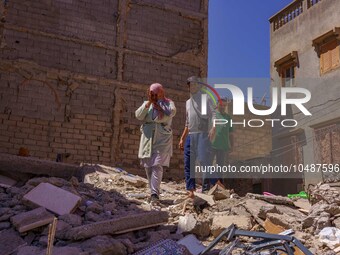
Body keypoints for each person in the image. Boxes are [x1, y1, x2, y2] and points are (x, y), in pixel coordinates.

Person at [135, 83, 176, 202]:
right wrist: (149, 103)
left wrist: (159, 106)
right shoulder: (146, 104)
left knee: (157, 165)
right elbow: (138, 115)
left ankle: (154, 194)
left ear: (161, 92)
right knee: (148, 166)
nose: (154, 96)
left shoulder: (169, 103)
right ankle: (152, 190)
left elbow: (167, 116)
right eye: (151, 94)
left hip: (162, 138)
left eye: (156, 93)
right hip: (148, 137)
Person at [179, 76, 217, 198]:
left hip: (202, 134)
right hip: (191, 135)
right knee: (188, 163)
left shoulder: (206, 98)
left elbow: (214, 114)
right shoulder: (188, 102)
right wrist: (182, 138)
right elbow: (187, 122)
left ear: (199, 85)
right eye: (190, 85)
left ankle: (206, 188)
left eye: (195, 84)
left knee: (203, 161)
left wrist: (213, 128)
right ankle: (191, 189)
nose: (192, 86)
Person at [209, 101, 234, 189]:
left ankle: (220, 188)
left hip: (223, 146)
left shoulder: (228, 118)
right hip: (211, 145)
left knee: (220, 168)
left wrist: (232, 145)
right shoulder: (213, 115)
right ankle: (206, 187)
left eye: (224, 105)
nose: (222, 106)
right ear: (217, 105)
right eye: (221, 105)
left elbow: (231, 133)